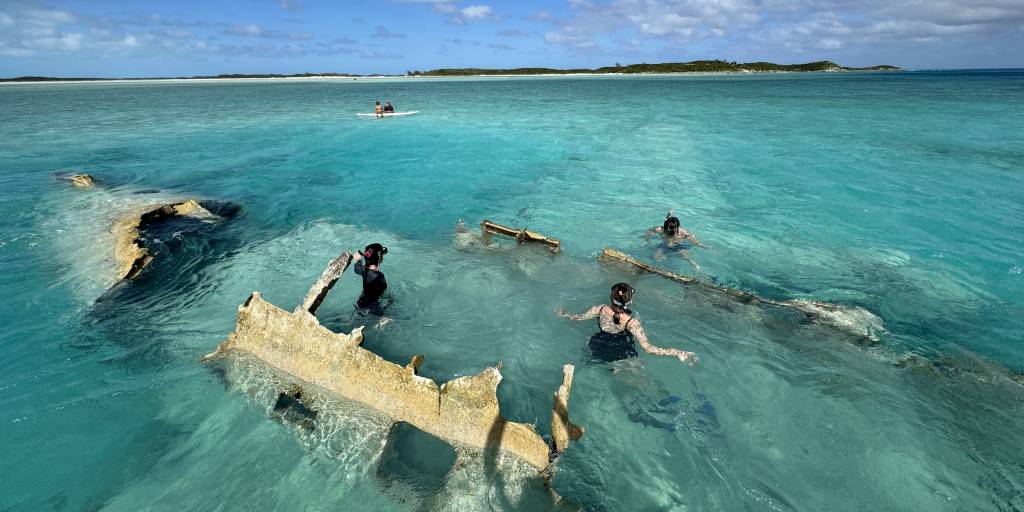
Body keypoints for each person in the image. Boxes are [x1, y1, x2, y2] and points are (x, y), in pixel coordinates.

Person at [556, 283, 697, 365]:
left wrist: (564, 314)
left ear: (612, 297)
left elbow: (578, 318)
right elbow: (648, 349)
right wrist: (677, 352)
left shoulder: (600, 308)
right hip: (620, 351)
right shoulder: (632, 322)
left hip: (596, 344)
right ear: (629, 302)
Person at [352, 243, 388, 312]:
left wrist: (358, 261)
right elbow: (384, 288)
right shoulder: (379, 276)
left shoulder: (365, 269)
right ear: (379, 257)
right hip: (372, 305)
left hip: (361, 301)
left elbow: (357, 269)